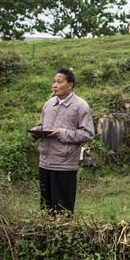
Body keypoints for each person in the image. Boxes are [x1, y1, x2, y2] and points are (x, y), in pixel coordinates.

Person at [30, 68, 95, 214]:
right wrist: (38, 131)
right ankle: (47, 234)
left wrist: (62, 133)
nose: (54, 85)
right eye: (54, 82)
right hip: (45, 163)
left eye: (59, 82)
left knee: (63, 210)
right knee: (46, 208)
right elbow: (44, 125)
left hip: (64, 165)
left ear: (70, 85)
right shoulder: (48, 104)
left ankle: (65, 234)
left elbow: (88, 133)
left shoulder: (80, 105)